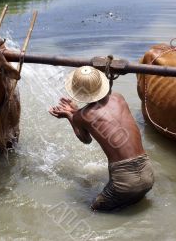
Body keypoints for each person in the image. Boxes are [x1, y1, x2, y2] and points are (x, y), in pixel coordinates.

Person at [49, 66, 154, 211]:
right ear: (101, 85)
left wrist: (69, 116)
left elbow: (86, 140)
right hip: (148, 173)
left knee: (94, 210)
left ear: (77, 91)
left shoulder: (82, 116)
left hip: (125, 182)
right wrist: (76, 112)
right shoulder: (118, 98)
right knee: (132, 203)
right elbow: (102, 116)